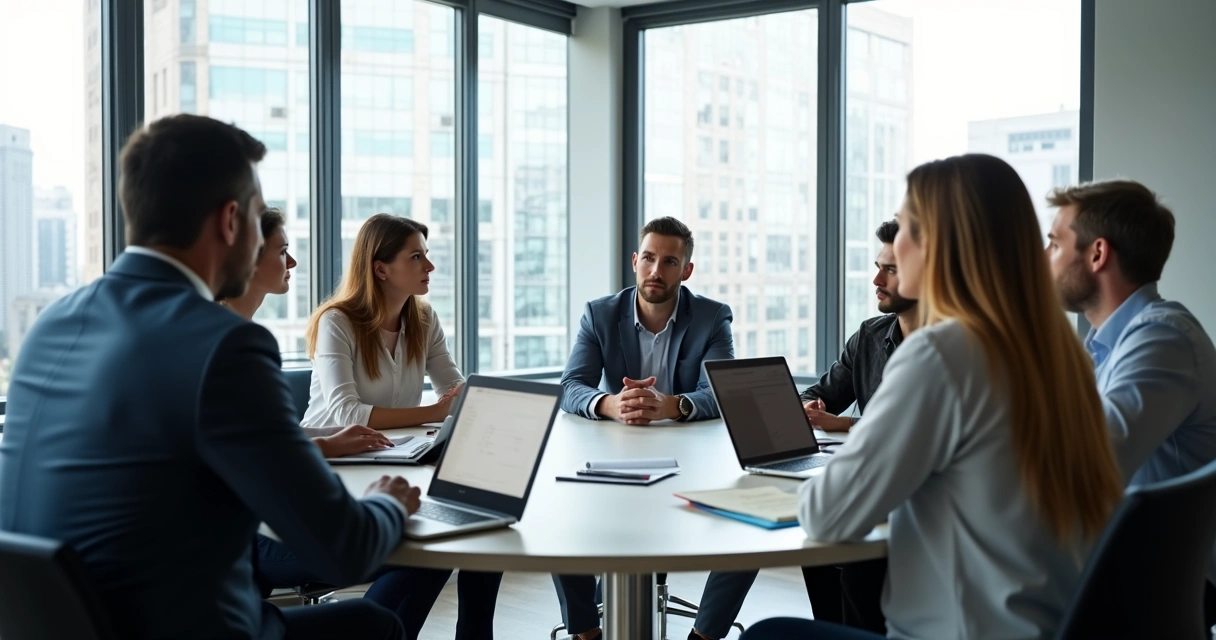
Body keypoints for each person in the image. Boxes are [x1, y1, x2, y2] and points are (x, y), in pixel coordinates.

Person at [0, 114, 415, 640]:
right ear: (230, 221)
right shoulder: (223, 344)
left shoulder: (51, 324)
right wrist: (387, 500)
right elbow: (343, 550)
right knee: (370, 625)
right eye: (259, 217)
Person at [743, 154, 1125, 640]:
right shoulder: (1057, 351)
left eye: (903, 227)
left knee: (769, 634)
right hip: (1044, 623)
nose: (893, 248)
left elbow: (827, 514)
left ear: (940, 245)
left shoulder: (943, 353)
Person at [302, 213, 502, 640]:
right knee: (433, 549)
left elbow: (455, 387)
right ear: (380, 268)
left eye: (426, 256)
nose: (430, 267)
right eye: (417, 257)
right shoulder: (337, 322)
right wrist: (434, 412)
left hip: (394, 463)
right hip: (333, 467)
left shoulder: (423, 319)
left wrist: (477, 402)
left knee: (474, 525)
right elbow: (348, 415)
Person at [555, 216, 744, 640]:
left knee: (747, 523)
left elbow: (721, 394)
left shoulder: (713, 318)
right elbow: (570, 387)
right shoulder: (599, 314)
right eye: (650, 259)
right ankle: (586, 631)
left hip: (695, 461)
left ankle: (705, 635)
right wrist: (611, 403)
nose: (657, 271)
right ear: (635, 261)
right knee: (555, 511)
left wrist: (671, 406)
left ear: (687, 271)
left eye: (670, 262)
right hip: (612, 456)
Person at [1045, 179, 1216, 628]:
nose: (1045, 259)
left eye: (1054, 244)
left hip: (1157, 586)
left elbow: (1086, 465)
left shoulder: (1163, 338)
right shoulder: (1106, 345)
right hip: (1118, 567)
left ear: (1097, 254)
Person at [796, 219, 919, 634]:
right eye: (877, 266)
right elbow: (822, 393)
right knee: (818, 553)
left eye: (891, 270)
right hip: (871, 489)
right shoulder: (870, 335)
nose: (876, 280)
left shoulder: (945, 354)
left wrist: (847, 423)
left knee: (845, 554)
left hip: (910, 506)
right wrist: (804, 407)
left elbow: (907, 431)